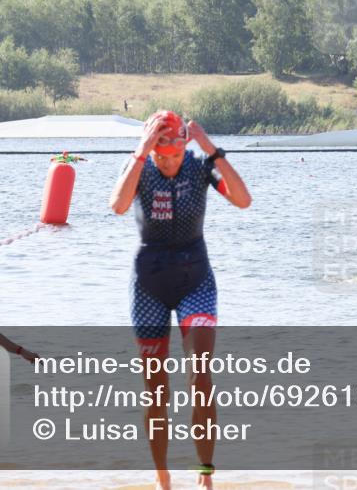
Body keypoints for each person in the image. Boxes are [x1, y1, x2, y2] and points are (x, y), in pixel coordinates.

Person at [110, 110, 251, 490]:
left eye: (173, 154)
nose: (169, 163)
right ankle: (162, 477)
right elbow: (118, 206)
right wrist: (141, 152)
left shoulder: (200, 167)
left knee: (200, 378)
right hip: (148, 286)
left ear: (183, 146)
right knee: (156, 390)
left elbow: (243, 200)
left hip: (195, 281)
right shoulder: (139, 166)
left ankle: (205, 476)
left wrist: (211, 148)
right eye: (161, 155)